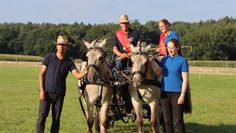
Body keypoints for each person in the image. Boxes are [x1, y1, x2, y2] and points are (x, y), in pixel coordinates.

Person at [36, 35, 88, 133]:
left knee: (56, 119)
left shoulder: (69, 61)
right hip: (46, 93)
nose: (61, 47)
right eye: (59, 44)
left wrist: (86, 71)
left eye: (64, 45)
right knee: (42, 117)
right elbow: (41, 74)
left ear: (67, 46)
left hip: (59, 94)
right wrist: (42, 91)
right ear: (56, 45)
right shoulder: (48, 57)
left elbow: (77, 75)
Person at [150, 38, 188, 133]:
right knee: (167, 121)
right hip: (164, 93)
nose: (169, 50)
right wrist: (151, 62)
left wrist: (182, 95)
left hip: (177, 93)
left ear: (177, 48)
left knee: (178, 120)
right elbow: (158, 72)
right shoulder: (165, 59)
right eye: (168, 48)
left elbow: (185, 79)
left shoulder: (182, 61)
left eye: (172, 48)